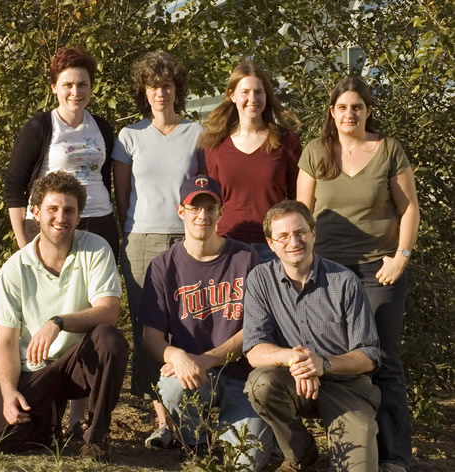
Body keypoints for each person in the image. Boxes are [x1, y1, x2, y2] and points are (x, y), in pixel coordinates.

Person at [297, 76, 420, 472]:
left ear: (367, 111)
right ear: (331, 112)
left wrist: (400, 257)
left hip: (377, 272)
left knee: (383, 360)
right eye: (343, 107)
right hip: (327, 273)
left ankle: (395, 456)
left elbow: (409, 210)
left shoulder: (388, 151)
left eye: (357, 107)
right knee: (333, 356)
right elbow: (302, 215)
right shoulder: (316, 152)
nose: (349, 114)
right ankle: (348, 449)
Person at [4, 46, 119, 435]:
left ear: (91, 87)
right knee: (51, 314)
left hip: (99, 226)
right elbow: (15, 187)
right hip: (50, 226)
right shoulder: (41, 128)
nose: (76, 91)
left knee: (89, 314)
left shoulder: (101, 127)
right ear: (54, 87)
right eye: (68, 84)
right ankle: (50, 395)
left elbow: (111, 181)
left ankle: (78, 416)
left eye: (83, 84)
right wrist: (24, 242)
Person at [0, 172, 128, 462]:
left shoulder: (96, 248)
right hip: (35, 369)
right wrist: (8, 391)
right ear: (36, 213)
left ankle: (95, 438)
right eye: (52, 209)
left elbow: (109, 311)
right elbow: (5, 340)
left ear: (79, 215)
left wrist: (58, 322)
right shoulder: (14, 269)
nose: (61, 217)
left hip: (79, 364)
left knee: (109, 339)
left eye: (69, 210)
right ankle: (49, 422)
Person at [140, 175, 273, 471]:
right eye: (194, 207)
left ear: (220, 212)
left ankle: (251, 435)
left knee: (243, 464)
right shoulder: (163, 265)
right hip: (194, 377)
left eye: (210, 208)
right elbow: (151, 337)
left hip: (242, 376)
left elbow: (253, 330)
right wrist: (177, 355)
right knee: (172, 386)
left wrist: (205, 359)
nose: (203, 216)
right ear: (181, 211)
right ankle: (195, 440)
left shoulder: (245, 257)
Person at [243, 200, 381, 472]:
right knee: (261, 383)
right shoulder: (260, 279)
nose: (293, 242)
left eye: (300, 233)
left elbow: (369, 355)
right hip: (293, 380)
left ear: (313, 234)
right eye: (282, 236)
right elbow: (254, 349)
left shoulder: (344, 281)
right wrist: (295, 359)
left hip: (346, 386)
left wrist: (324, 363)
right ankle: (301, 453)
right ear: (271, 244)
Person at [113, 51, 205, 448]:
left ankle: (193, 419)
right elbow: (122, 196)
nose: (160, 92)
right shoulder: (128, 137)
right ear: (144, 92)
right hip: (142, 241)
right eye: (153, 86)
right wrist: (133, 231)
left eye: (167, 85)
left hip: (187, 240)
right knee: (150, 328)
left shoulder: (196, 132)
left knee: (190, 327)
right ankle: (163, 421)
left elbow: (205, 190)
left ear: (177, 89)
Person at [200, 61, 302, 262]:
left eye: (259, 92)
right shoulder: (215, 145)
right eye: (245, 91)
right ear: (232, 96)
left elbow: (297, 199)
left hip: (275, 246)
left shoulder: (287, 141)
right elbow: (212, 200)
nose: (252, 98)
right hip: (228, 245)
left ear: (267, 96)